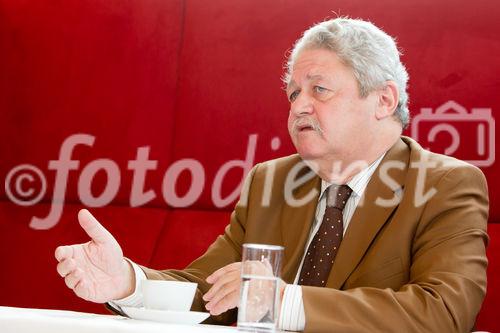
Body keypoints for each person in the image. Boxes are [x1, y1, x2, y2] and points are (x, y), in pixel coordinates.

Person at [54, 17, 489, 332]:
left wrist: (282, 303)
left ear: (383, 100)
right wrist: (128, 282)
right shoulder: (273, 180)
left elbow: (445, 313)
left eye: (319, 89)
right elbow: (210, 293)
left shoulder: (445, 184)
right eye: (293, 92)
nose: (299, 105)